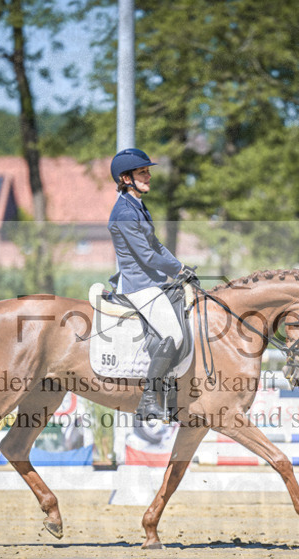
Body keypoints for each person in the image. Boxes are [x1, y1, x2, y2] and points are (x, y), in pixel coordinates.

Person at [107, 148, 194, 421]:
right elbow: (145, 255)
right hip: (137, 285)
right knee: (174, 335)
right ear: (126, 178)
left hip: (151, 282)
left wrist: (181, 268)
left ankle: (171, 394)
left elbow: (156, 245)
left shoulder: (138, 206)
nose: (149, 175)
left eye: (148, 171)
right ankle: (148, 399)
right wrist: (177, 269)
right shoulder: (124, 212)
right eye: (143, 171)